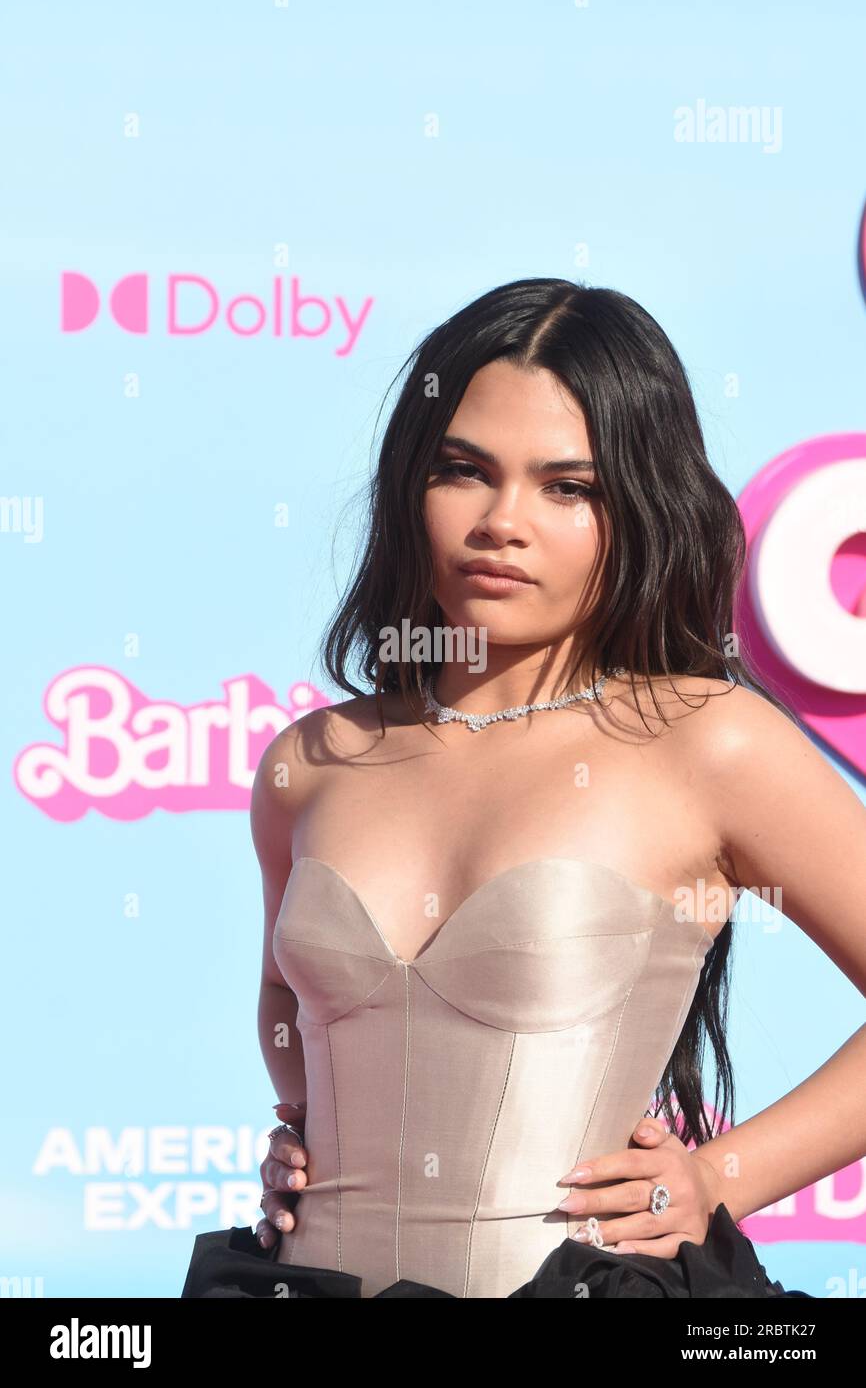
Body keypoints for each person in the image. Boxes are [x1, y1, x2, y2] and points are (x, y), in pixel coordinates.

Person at [181, 278, 866, 1298]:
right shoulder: (306, 763)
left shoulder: (706, 739)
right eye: (464, 470)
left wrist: (718, 1176)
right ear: (412, 482)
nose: (502, 521)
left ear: (634, 506)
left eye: (566, 486)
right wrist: (310, 1131)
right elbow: (286, 998)